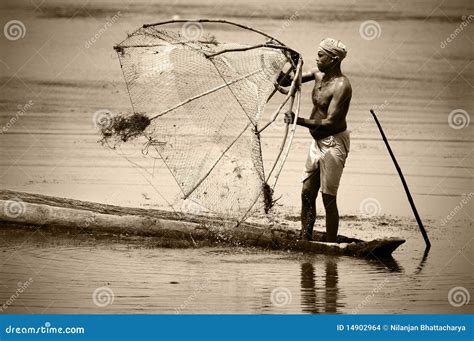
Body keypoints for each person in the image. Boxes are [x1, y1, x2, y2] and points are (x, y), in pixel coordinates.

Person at [284, 38, 352, 242]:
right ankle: (306, 238)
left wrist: (299, 121)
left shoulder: (342, 86)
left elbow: (331, 122)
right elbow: (285, 82)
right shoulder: (317, 74)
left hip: (334, 143)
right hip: (316, 143)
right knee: (306, 193)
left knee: (328, 198)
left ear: (333, 59)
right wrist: (291, 64)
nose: (317, 58)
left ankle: (331, 246)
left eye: (321, 55)